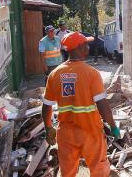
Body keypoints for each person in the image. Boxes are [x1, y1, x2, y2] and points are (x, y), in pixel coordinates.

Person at [41, 32, 119, 177]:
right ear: (80, 48)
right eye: (86, 45)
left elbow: (46, 106)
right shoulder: (91, 73)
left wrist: (48, 128)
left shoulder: (55, 74)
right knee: (99, 169)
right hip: (90, 131)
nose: (88, 48)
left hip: (66, 134)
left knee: (67, 172)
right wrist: (113, 126)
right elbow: (103, 105)